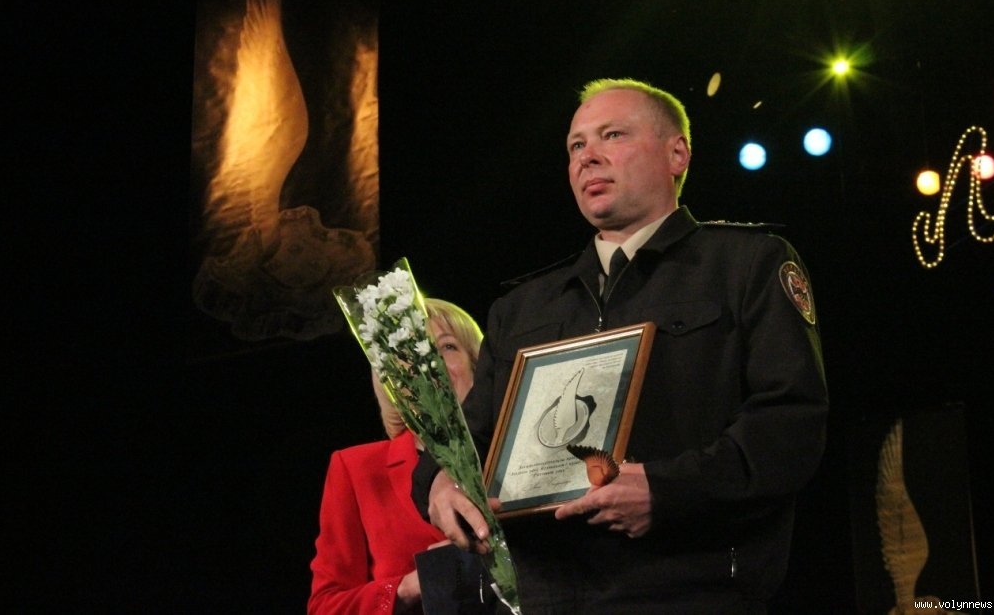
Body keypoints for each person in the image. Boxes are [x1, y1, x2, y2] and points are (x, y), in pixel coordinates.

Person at [414, 78, 829, 613]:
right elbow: (464, 441)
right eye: (576, 145)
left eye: (613, 135)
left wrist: (667, 490)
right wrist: (439, 483)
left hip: (689, 591)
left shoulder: (746, 265)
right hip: (546, 598)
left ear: (677, 154)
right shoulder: (521, 308)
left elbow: (789, 424)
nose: (588, 157)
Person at [308, 298, 486, 614]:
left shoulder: (512, 452)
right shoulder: (356, 468)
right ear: (390, 381)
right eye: (409, 352)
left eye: (447, 347)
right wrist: (411, 586)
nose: (429, 363)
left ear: (478, 367)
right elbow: (325, 607)